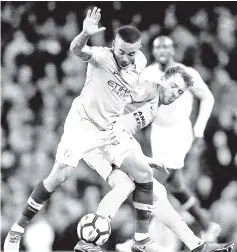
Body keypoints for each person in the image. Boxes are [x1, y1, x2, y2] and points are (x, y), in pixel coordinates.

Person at [3, 8, 186, 252]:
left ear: (139, 51)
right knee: (60, 176)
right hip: (82, 125)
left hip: (109, 130)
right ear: (113, 45)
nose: (125, 58)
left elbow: (133, 92)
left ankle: (141, 241)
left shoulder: (140, 63)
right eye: (120, 51)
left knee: (143, 176)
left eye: (130, 53)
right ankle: (17, 229)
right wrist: (84, 34)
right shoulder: (101, 57)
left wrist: (158, 98)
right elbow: (77, 50)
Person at [74, 71, 234, 252]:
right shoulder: (148, 89)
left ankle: (196, 245)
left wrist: (144, 159)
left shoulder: (155, 107)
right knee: (144, 186)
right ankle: (134, 241)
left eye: (179, 91)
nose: (175, 93)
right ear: (162, 80)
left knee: (150, 191)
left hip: (104, 143)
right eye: (173, 86)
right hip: (101, 137)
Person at [115, 35, 219, 252]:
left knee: (149, 182)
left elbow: (207, 98)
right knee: (176, 186)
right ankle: (208, 225)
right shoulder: (149, 72)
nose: (162, 51)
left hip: (179, 133)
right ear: (153, 51)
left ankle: (141, 239)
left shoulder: (186, 73)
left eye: (167, 47)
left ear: (173, 50)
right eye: (157, 47)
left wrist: (199, 131)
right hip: (158, 133)